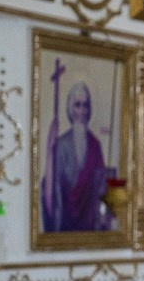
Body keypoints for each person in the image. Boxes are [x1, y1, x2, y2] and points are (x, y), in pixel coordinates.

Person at [40, 71, 113, 233]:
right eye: (77, 105)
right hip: (65, 223)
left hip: (89, 223)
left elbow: (101, 187)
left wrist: (102, 216)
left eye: (85, 105)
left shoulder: (95, 145)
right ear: (70, 108)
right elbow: (53, 188)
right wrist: (49, 150)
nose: (81, 111)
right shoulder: (61, 145)